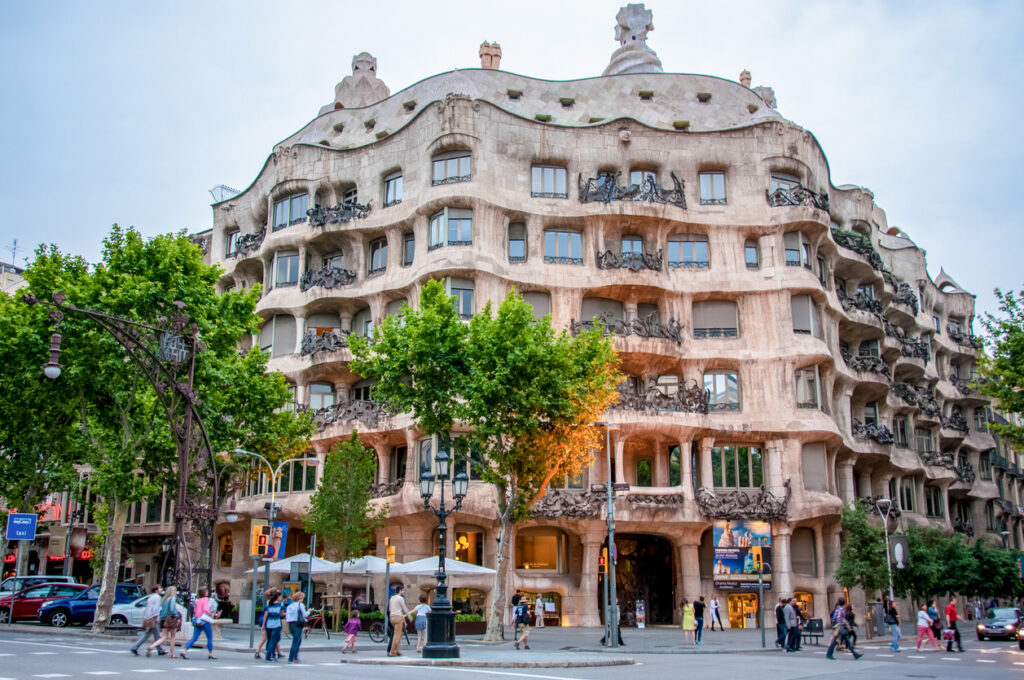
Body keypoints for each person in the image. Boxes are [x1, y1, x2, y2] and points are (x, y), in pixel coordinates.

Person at [180, 587, 216, 660]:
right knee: (209, 637)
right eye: (206, 591)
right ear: (204, 593)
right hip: (204, 620)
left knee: (194, 638)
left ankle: (184, 650)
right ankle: (210, 653)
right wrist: (210, 614)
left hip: (197, 620)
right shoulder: (206, 599)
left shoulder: (198, 600)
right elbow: (206, 609)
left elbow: (195, 610)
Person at [131, 585, 166, 656]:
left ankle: (160, 649)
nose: (161, 589)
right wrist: (155, 617)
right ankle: (135, 647)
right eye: (160, 588)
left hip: (149, 617)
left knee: (155, 635)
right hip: (153, 618)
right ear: (156, 590)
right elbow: (156, 608)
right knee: (149, 635)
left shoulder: (151, 597)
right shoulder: (157, 597)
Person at [147, 586, 182, 658]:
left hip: (163, 619)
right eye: (175, 591)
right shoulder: (172, 598)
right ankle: (171, 653)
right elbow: (172, 609)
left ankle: (152, 646)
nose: (176, 592)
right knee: (173, 636)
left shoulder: (164, 599)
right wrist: (177, 616)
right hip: (170, 618)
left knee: (164, 636)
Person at [388, 584, 412, 657]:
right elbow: (404, 608)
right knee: (397, 635)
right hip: (398, 617)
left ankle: (397, 650)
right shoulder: (400, 598)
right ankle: (392, 652)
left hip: (392, 617)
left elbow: (389, 609)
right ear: (400, 591)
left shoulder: (392, 598)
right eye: (403, 590)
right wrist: (409, 616)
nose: (404, 591)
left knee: (399, 634)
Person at [285, 591, 309, 663]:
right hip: (298, 624)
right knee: (296, 641)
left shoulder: (289, 606)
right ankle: (292, 658)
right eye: (302, 598)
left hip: (291, 624)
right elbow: (305, 615)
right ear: (300, 598)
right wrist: (309, 611)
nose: (303, 599)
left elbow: (287, 616)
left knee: (297, 640)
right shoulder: (300, 605)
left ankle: (294, 657)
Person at [262, 590, 284, 662]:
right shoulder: (280, 605)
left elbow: (265, 615)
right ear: (277, 597)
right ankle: (269, 656)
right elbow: (281, 614)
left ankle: (272, 654)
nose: (281, 597)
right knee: (274, 640)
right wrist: (286, 614)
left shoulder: (268, 605)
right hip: (276, 625)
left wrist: (263, 624)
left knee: (269, 640)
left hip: (268, 624)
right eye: (280, 596)